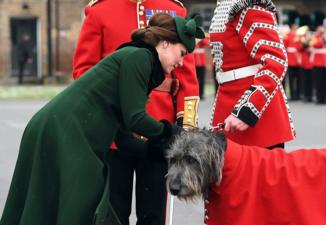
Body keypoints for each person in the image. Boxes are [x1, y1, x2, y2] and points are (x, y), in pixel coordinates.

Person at [0, 13, 205, 225]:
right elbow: (136, 118)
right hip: (65, 130)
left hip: (63, 129)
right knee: (82, 200)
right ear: (164, 44)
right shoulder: (140, 57)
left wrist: (158, 152)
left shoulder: (139, 61)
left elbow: (124, 139)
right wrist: (172, 134)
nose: (181, 62)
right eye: (181, 53)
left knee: (65, 205)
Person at [72, 1, 200, 225]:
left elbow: (187, 80)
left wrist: (185, 127)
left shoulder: (174, 9)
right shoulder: (100, 10)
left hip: (159, 129)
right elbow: (85, 73)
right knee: (112, 214)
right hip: (114, 131)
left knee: (153, 215)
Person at [209, 0, 295, 149]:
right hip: (227, 100)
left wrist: (247, 110)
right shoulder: (226, 4)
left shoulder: (248, 5)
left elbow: (275, 61)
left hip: (256, 115)